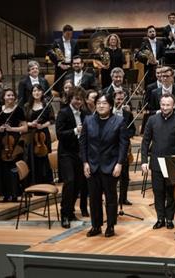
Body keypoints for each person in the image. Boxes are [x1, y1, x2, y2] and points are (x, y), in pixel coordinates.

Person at [80, 93, 129, 238]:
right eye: (99, 103)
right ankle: (96, 226)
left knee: (111, 198)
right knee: (94, 199)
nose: (101, 105)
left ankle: (110, 226)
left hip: (111, 165)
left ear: (111, 106)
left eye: (104, 103)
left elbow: (123, 145)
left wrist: (119, 164)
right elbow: (83, 143)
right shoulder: (88, 120)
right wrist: (85, 162)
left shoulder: (119, 121)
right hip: (92, 165)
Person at [141, 93, 175, 229]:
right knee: (158, 191)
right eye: (163, 104)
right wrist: (144, 161)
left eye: (168, 105)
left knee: (172, 193)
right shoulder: (152, 120)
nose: (165, 107)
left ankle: (170, 219)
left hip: (173, 162)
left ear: (174, 105)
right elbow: (145, 141)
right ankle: (160, 218)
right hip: (156, 161)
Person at [56, 87, 90, 228]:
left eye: (81, 99)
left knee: (77, 183)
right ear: (70, 99)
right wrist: (76, 130)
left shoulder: (84, 113)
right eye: (76, 99)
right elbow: (59, 134)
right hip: (66, 153)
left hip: (79, 153)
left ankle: (70, 211)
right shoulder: (63, 113)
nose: (78, 102)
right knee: (69, 181)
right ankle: (64, 214)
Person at [0, 88, 28, 202]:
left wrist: (12, 128)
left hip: (14, 141)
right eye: (8, 95)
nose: (11, 97)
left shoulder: (19, 110)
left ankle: (15, 192)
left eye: (12, 95)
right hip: (1, 141)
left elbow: (25, 127)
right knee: (1, 167)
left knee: (13, 167)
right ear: (3, 97)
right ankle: (4, 193)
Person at [24, 84, 54, 185]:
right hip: (31, 134)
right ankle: (33, 182)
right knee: (32, 158)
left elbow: (52, 120)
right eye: (34, 91)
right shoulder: (27, 106)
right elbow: (23, 121)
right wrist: (30, 124)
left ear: (42, 92)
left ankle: (45, 182)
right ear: (31, 93)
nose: (36, 93)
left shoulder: (47, 105)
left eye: (38, 91)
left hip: (43, 134)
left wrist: (42, 126)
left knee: (43, 157)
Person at [113, 89, 136, 206]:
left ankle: (123, 198)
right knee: (112, 177)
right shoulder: (108, 113)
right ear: (113, 99)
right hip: (111, 148)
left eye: (122, 99)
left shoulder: (127, 114)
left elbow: (133, 130)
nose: (120, 102)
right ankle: (112, 198)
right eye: (118, 99)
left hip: (124, 148)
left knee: (125, 176)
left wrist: (126, 134)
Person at [48, 24, 79, 92]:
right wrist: (60, 64)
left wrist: (74, 65)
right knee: (60, 86)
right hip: (60, 67)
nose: (69, 36)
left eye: (70, 34)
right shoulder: (57, 42)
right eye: (67, 34)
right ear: (63, 33)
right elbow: (50, 54)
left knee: (71, 83)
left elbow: (77, 55)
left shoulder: (74, 42)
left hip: (71, 66)